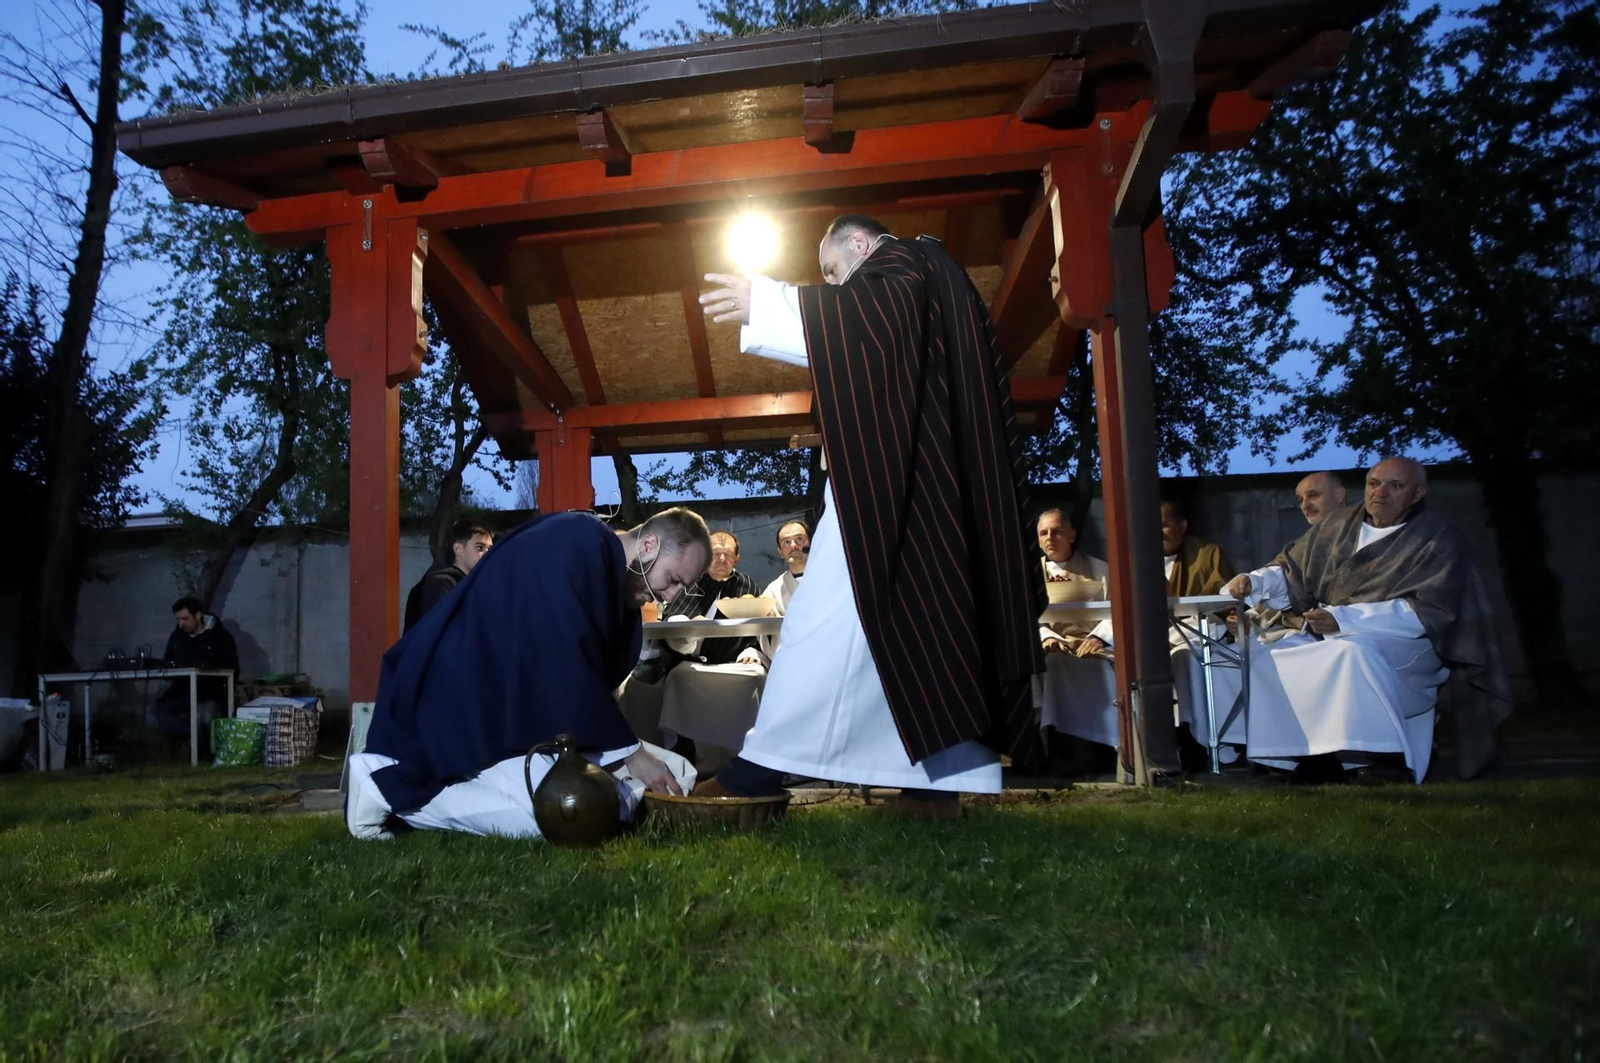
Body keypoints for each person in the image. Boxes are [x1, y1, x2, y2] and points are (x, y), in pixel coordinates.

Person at [695, 214, 1045, 814]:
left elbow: (869, 328)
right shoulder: (932, 277)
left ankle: (756, 773)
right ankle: (932, 785)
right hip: (925, 492)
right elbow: (894, 378)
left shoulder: (904, 264)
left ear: (860, 244)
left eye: (833, 273)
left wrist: (775, 300)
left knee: (821, 623)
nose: (834, 291)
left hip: (891, 501)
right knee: (923, 632)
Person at [345, 507, 712, 840]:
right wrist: (631, 754)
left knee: (677, 770)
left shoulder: (605, 569)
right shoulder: (572, 541)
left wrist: (630, 755)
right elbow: (558, 656)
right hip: (464, 711)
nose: (669, 597)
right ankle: (380, 786)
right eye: (674, 579)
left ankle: (613, 805)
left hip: (525, 717)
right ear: (649, 544)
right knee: (556, 815)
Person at [1223, 456, 1511, 782]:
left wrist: (1345, 619)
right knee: (1266, 655)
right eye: (1374, 483)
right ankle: (1298, 756)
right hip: (1335, 629)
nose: (1380, 493)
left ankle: (1382, 758)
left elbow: (1431, 611)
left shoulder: (1438, 537)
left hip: (1411, 641)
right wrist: (1255, 581)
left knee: (1351, 654)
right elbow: (1291, 571)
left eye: (1395, 486)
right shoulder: (1339, 524)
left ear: (1417, 494)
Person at [657, 531, 770, 771]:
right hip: (690, 661)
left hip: (732, 661)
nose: (721, 559)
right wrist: (691, 627)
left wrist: (751, 651)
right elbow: (669, 622)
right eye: (715, 554)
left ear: (737, 558)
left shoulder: (747, 585)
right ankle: (684, 754)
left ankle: (747, 756)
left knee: (756, 676)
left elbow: (756, 630)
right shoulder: (689, 581)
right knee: (678, 676)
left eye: (727, 554)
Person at [148, 596, 241, 754]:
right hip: (181, 693)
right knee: (153, 716)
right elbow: (168, 663)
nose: (181, 623)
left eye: (185, 618)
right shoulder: (177, 638)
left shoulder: (220, 637)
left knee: (205, 715)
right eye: (178, 619)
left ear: (198, 615)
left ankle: (201, 748)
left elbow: (232, 669)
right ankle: (194, 738)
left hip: (211, 693)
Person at [403, 519, 493, 633]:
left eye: (490, 549)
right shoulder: (440, 584)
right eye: (479, 548)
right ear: (458, 549)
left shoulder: (474, 585)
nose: (487, 554)